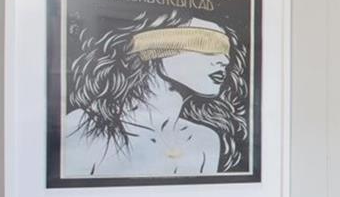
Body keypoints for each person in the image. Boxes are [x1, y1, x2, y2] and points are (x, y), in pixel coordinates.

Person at [60, 10, 249, 179]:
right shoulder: (82, 128)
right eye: (207, 45)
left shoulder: (205, 140)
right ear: (154, 48)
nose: (224, 61)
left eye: (226, 52)